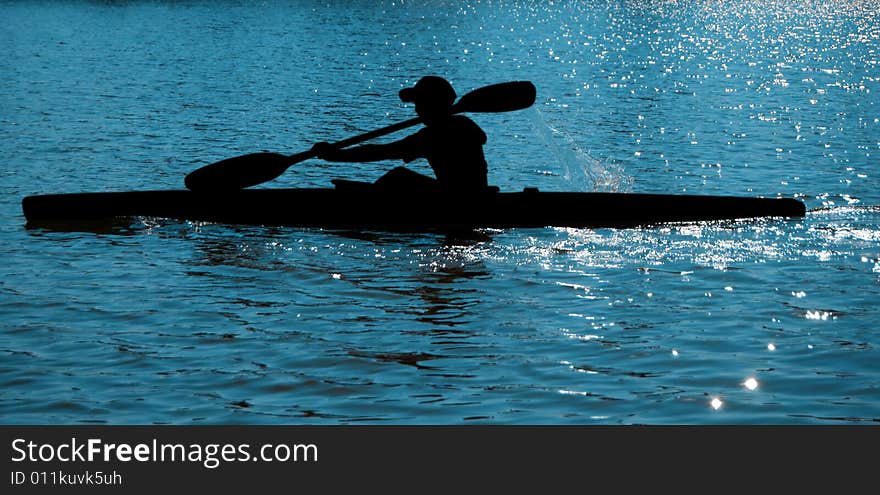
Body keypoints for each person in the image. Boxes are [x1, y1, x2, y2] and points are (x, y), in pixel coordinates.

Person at [310, 76, 490, 193]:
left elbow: (381, 152)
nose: (417, 110)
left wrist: (334, 155)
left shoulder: (432, 136)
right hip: (471, 194)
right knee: (398, 177)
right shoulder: (464, 124)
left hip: (459, 199)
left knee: (397, 176)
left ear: (432, 105)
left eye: (420, 104)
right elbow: (481, 137)